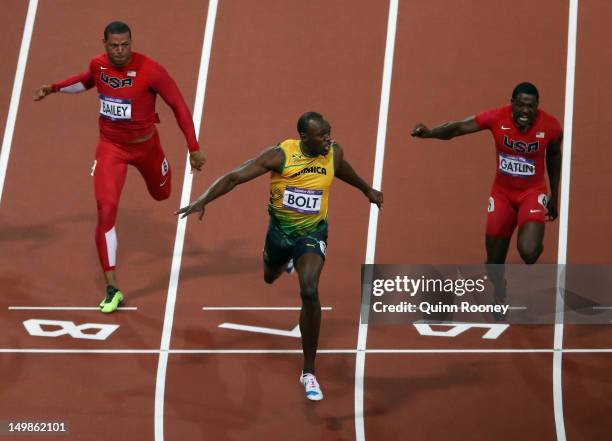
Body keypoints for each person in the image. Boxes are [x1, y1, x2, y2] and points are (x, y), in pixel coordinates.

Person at [176, 112, 383, 400]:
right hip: (279, 235)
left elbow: (340, 167)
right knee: (269, 276)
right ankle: (282, 264)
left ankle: (309, 371)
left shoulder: (332, 153)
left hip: (312, 234)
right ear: (304, 137)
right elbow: (236, 177)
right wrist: (203, 200)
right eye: (322, 134)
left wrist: (366, 188)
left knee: (309, 289)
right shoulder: (281, 155)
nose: (328, 138)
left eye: (329, 132)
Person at [34, 21, 206, 313]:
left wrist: (193, 147)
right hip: (111, 148)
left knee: (162, 194)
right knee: (106, 208)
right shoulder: (98, 66)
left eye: (125, 44)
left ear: (131, 42)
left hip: (146, 146)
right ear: (104, 43)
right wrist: (54, 88)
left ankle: (162, 168)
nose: (120, 51)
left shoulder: (151, 70)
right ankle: (112, 285)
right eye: (114, 45)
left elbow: (178, 105)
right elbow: (86, 80)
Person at [411, 82, 563, 317]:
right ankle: (499, 289)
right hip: (502, 195)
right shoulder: (496, 117)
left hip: (532, 193)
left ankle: (534, 235)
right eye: (520, 105)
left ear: (537, 107)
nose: (525, 111)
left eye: (530, 106)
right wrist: (430, 133)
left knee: (530, 254)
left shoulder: (551, 126)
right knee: (493, 262)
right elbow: (459, 128)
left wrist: (555, 195)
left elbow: (554, 155)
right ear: (511, 103)